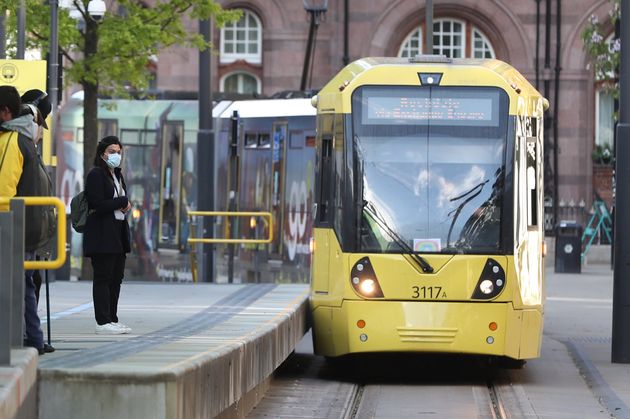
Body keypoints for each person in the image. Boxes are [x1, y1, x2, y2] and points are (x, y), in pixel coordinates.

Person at [0, 86, 55, 355]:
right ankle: (31, 336)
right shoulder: (25, 138)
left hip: (16, 223)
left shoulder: (13, 140)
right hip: (31, 222)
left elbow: (5, 189)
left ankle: (30, 337)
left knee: (22, 284)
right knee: (26, 284)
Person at [83, 135, 132, 334]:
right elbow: (97, 203)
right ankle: (102, 321)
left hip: (117, 234)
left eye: (119, 152)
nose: (116, 155)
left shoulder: (117, 176)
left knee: (116, 278)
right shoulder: (96, 175)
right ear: (102, 153)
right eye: (112, 152)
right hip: (102, 235)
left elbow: (120, 200)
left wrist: (125, 203)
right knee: (103, 277)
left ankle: (112, 318)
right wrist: (122, 201)